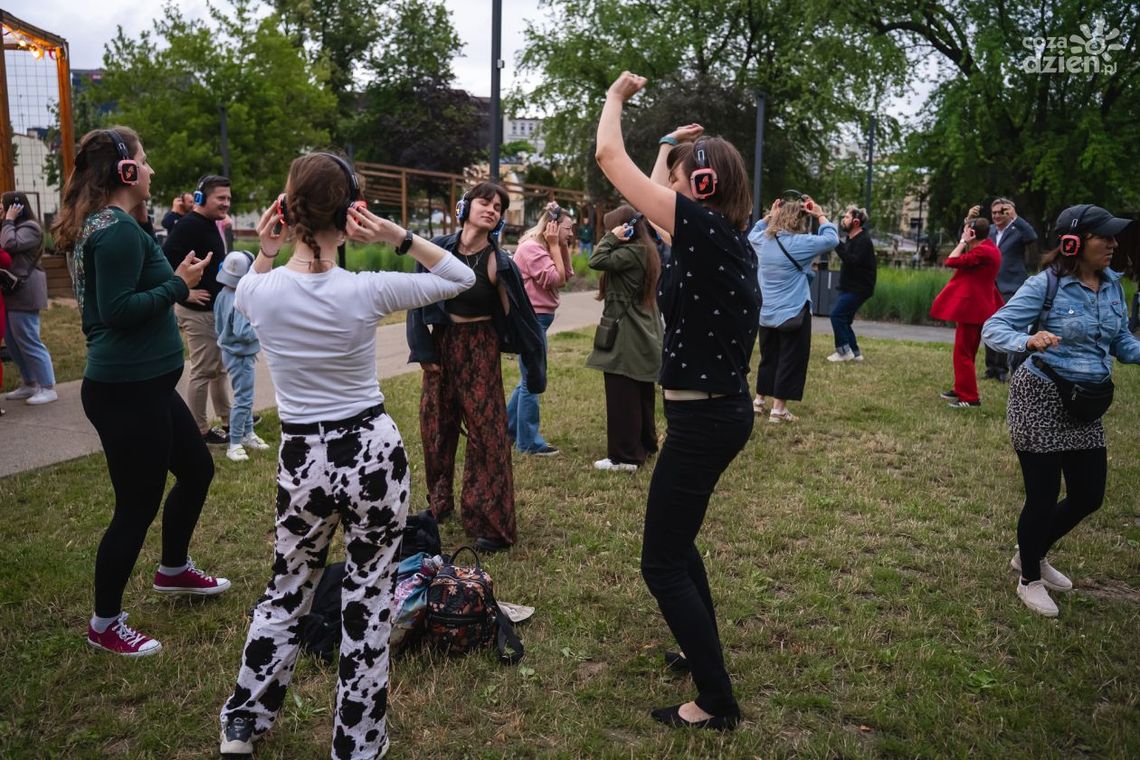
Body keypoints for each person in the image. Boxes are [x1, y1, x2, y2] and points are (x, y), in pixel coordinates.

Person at [218, 151, 475, 758]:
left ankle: (244, 721)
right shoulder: (366, 289)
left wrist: (264, 249)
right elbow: (460, 278)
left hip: (303, 456)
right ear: (350, 213)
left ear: (287, 211)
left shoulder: (261, 289)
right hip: (369, 453)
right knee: (367, 597)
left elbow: (241, 302)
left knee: (287, 590)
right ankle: (357, 743)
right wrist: (398, 235)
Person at [597, 73, 760, 730]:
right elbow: (656, 191)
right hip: (706, 413)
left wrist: (615, 101)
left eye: (687, 176)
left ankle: (716, 700)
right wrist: (670, 146)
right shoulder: (712, 242)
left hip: (706, 419)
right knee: (679, 545)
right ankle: (700, 651)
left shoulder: (711, 239)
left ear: (704, 188)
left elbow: (612, 162)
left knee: (660, 561)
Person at [52, 127, 228, 656]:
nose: (151, 171)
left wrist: (174, 279)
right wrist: (178, 283)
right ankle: (105, 623)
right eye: (145, 162)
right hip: (126, 391)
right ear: (126, 172)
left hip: (146, 387)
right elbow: (118, 312)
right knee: (135, 506)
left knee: (196, 469)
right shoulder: (117, 232)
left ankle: (173, 569)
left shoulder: (109, 225)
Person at [982, 204, 1138, 617]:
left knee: (1089, 495)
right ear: (1074, 241)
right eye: (1103, 236)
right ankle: (1029, 578)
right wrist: (1028, 341)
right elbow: (994, 329)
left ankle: (1030, 550)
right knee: (1043, 496)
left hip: (1085, 404)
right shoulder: (1044, 285)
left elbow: (1122, 344)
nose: (1113, 243)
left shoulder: (1112, 288)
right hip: (1041, 398)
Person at [407, 183, 546, 553]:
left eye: (499, 206)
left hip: (479, 347)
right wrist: (424, 351)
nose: (492, 209)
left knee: (488, 436)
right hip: (441, 343)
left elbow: (521, 317)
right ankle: (439, 503)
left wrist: (534, 366)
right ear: (465, 206)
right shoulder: (437, 249)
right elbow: (416, 301)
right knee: (435, 427)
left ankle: (490, 520)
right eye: (485, 201)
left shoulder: (498, 262)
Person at [585, 205, 663, 472]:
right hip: (641, 332)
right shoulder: (646, 251)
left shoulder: (630, 252)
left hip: (628, 336)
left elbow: (596, 260)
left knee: (622, 397)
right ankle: (645, 444)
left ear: (626, 228)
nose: (609, 232)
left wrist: (612, 238)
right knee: (640, 394)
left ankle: (625, 457)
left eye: (612, 227)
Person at [748, 192, 839, 421]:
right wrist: (820, 214)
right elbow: (832, 239)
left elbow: (751, 234)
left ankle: (759, 401)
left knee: (768, 356)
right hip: (792, 311)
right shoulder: (800, 243)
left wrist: (769, 216)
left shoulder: (761, 241)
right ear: (798, 220)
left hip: (766, 312)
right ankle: (778, 410)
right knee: (790, 358)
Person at [163, 175, 233, 444]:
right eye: (221, 198)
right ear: (202, 198)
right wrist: (185, 291)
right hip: (198, 312)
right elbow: (164, 258)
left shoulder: (208, 224)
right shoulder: (190, 225)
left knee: (218, 368)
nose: (226, 203)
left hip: (213, 310)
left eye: (228, 198)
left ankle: (227, 419)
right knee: (203, 370)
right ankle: (199, 430)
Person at [507, 201, 574, 456]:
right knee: (533, 381)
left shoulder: (548, 246)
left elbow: (565, 275)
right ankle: (529, 443)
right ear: (553, 227)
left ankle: (508, 429)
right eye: (568, 229)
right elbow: (555, 278)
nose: (571, 233)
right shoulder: (533, 248)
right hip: (531, 320)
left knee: (529, 377)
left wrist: (562, 247)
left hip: (539, 320)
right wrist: (556, 245)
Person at [930, 216, 1005, 408]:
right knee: (967, 352)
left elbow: (950, 260)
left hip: (973, 308)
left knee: (962, 353)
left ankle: (970, 397)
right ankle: (961, 388)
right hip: (979, 306)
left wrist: (963, 241)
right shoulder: (989, 248)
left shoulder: (982, 252)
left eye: (966, 231)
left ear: (972, 233)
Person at [2, 191, 58, 406]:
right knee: (13, 342)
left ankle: (48, 386)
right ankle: (29, 382)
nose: (2, 209)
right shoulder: (12, 226)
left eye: (4, 205)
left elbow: (9, 244)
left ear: (16, 206)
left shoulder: (31, 228)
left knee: (28, 340)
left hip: (26, 289)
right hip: (12, 291)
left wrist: (8, 220)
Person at [213, 250, 268, 462]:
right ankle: (234, 443)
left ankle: (248, 434)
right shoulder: (241, 299)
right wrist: (264, 328)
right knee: (243, 399)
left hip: (229, 350)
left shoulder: (222, 294)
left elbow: (219, 325)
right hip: (240, 355)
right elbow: (243, 332)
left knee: (246, 396)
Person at [977, 198, 1038, 381]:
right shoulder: (989, 231)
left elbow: (1032, 236)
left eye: (1000, 212)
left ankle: (1003, 370)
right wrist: (968, 220)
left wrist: (1015, 217)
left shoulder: (1017, 229)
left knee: (1006, 326)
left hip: (1010, 285)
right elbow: (970, 237)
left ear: (1009, 211)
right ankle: (991, 368)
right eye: (993, 212)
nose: (996, 216)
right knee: (990, 324)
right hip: (989, 285)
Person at [827, 206, 876, 363]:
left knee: (836, 315)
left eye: (846, 217)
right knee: (844, 319)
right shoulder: (851, 239)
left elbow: (851, 260)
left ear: (856, 222)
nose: (843, 220)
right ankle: (855, 352)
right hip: (849, 287)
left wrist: (835, 242)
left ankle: (843, 352)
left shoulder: (864, 241)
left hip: (858, 288)